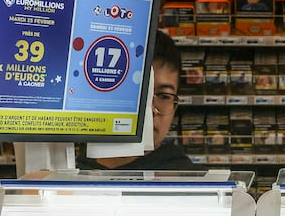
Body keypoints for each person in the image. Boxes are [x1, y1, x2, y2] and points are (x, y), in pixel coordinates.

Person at [82, 32, 203, 172]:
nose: (151, 109)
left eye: (164, 96)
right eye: (140, 93)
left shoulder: (184, 179)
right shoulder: (71, 169)